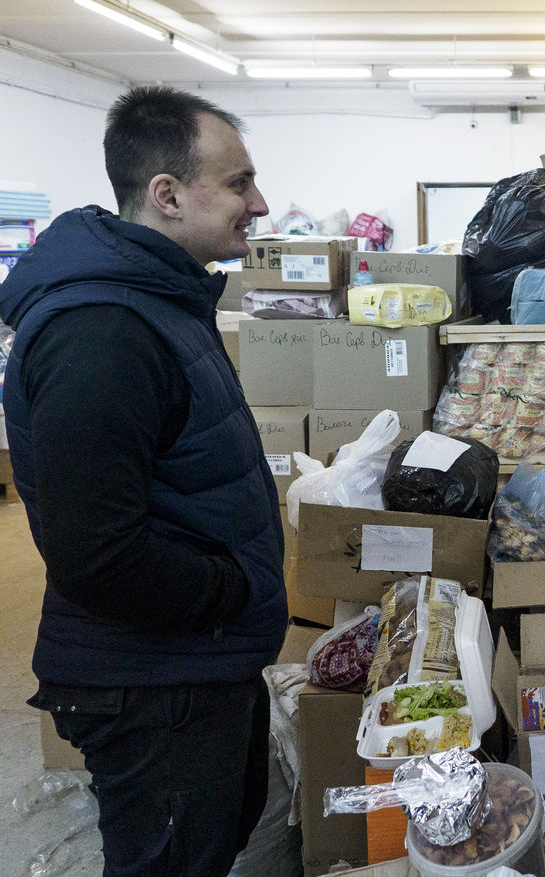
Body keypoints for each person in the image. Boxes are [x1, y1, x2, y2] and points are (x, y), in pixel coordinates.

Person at [0, 86, 287, 877]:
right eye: (237, 182)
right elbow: (96, 554)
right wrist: (231, 590)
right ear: (167, 194)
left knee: (207, 845)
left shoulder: (159, 300)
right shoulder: (101, 332)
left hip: (192, 666)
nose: (258, 204)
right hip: (153, 682)